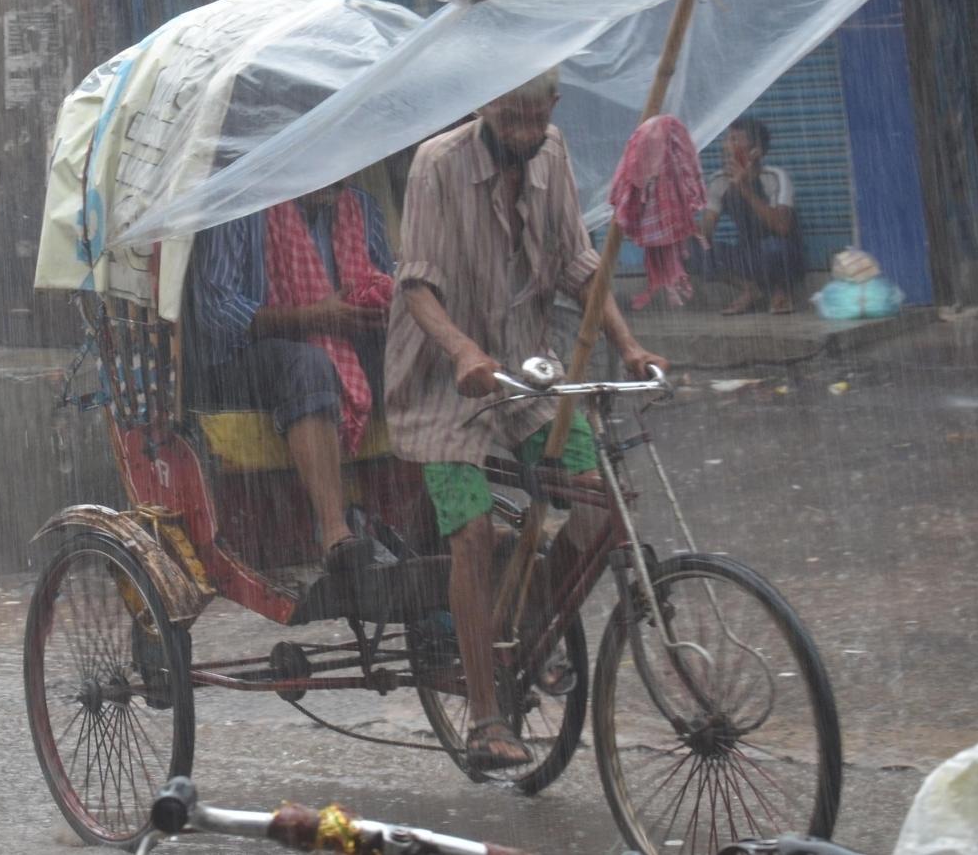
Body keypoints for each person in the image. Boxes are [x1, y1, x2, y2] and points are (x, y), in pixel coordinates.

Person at [385, 70, 667, 770]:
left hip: (529, 374)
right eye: (509, 117)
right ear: (482, 103)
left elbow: (578, 261)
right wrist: (460, 349)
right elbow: (416, 282)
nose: (521, 133)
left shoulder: (553, 151)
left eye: (533, 117)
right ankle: (484, 718)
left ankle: (533, 619)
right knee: (474, 532)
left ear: (553, 106)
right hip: (441, 383)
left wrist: (627, 344)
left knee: (601, 511)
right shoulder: (436, 164)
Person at [189, 178, 396, 588]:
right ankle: (335, 533)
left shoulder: (360, 207)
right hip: (243, 357)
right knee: (308, 363)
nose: (333, 180)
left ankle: (421, 523)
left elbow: (384, 275)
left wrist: (378, 304)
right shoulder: (243, 207)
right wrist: (310, 318)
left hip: (342, 340)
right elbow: (215, 312)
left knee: (409, 360)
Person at [695, 117, 804, 315]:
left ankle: (781, 291)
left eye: (735, 140)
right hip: (747, 254)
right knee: (685, 249)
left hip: (781, 252)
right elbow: (707, 231)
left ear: (756, 152)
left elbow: (782, 227)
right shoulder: (719, 181)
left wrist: (744, 187)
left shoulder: (775, 177)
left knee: (773, 248)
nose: (726, 146)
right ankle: (750, 290)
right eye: (727, 139)